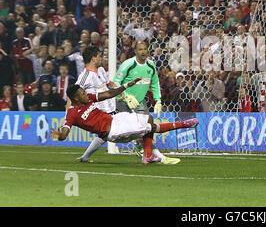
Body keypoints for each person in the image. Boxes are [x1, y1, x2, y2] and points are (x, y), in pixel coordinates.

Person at [51, 80, 199, 165]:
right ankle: (184, 125)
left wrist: (126, 86)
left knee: (149, 118)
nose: (85, 94)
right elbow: (64, 133)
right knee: (150, 128)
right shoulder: (71, 114)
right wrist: (60, 136)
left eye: (84, 91)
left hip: (117, 119)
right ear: (75, 99)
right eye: (82, 93)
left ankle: (147, 154)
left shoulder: (88, 97)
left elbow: (109, 94)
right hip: (114, 132)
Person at [111, 41, 173, 163]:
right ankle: (144, 149)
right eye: (140, 49)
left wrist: (158, 100)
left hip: (139, 102)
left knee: (146, 127)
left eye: (145, 49)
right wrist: (126, 95)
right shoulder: (128, 64)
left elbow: (154, 83)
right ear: (135, 51)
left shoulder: (150, 65)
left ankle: (146, 153)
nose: (143, 52)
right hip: (123, 101)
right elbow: (115, 83)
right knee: (132, 128)